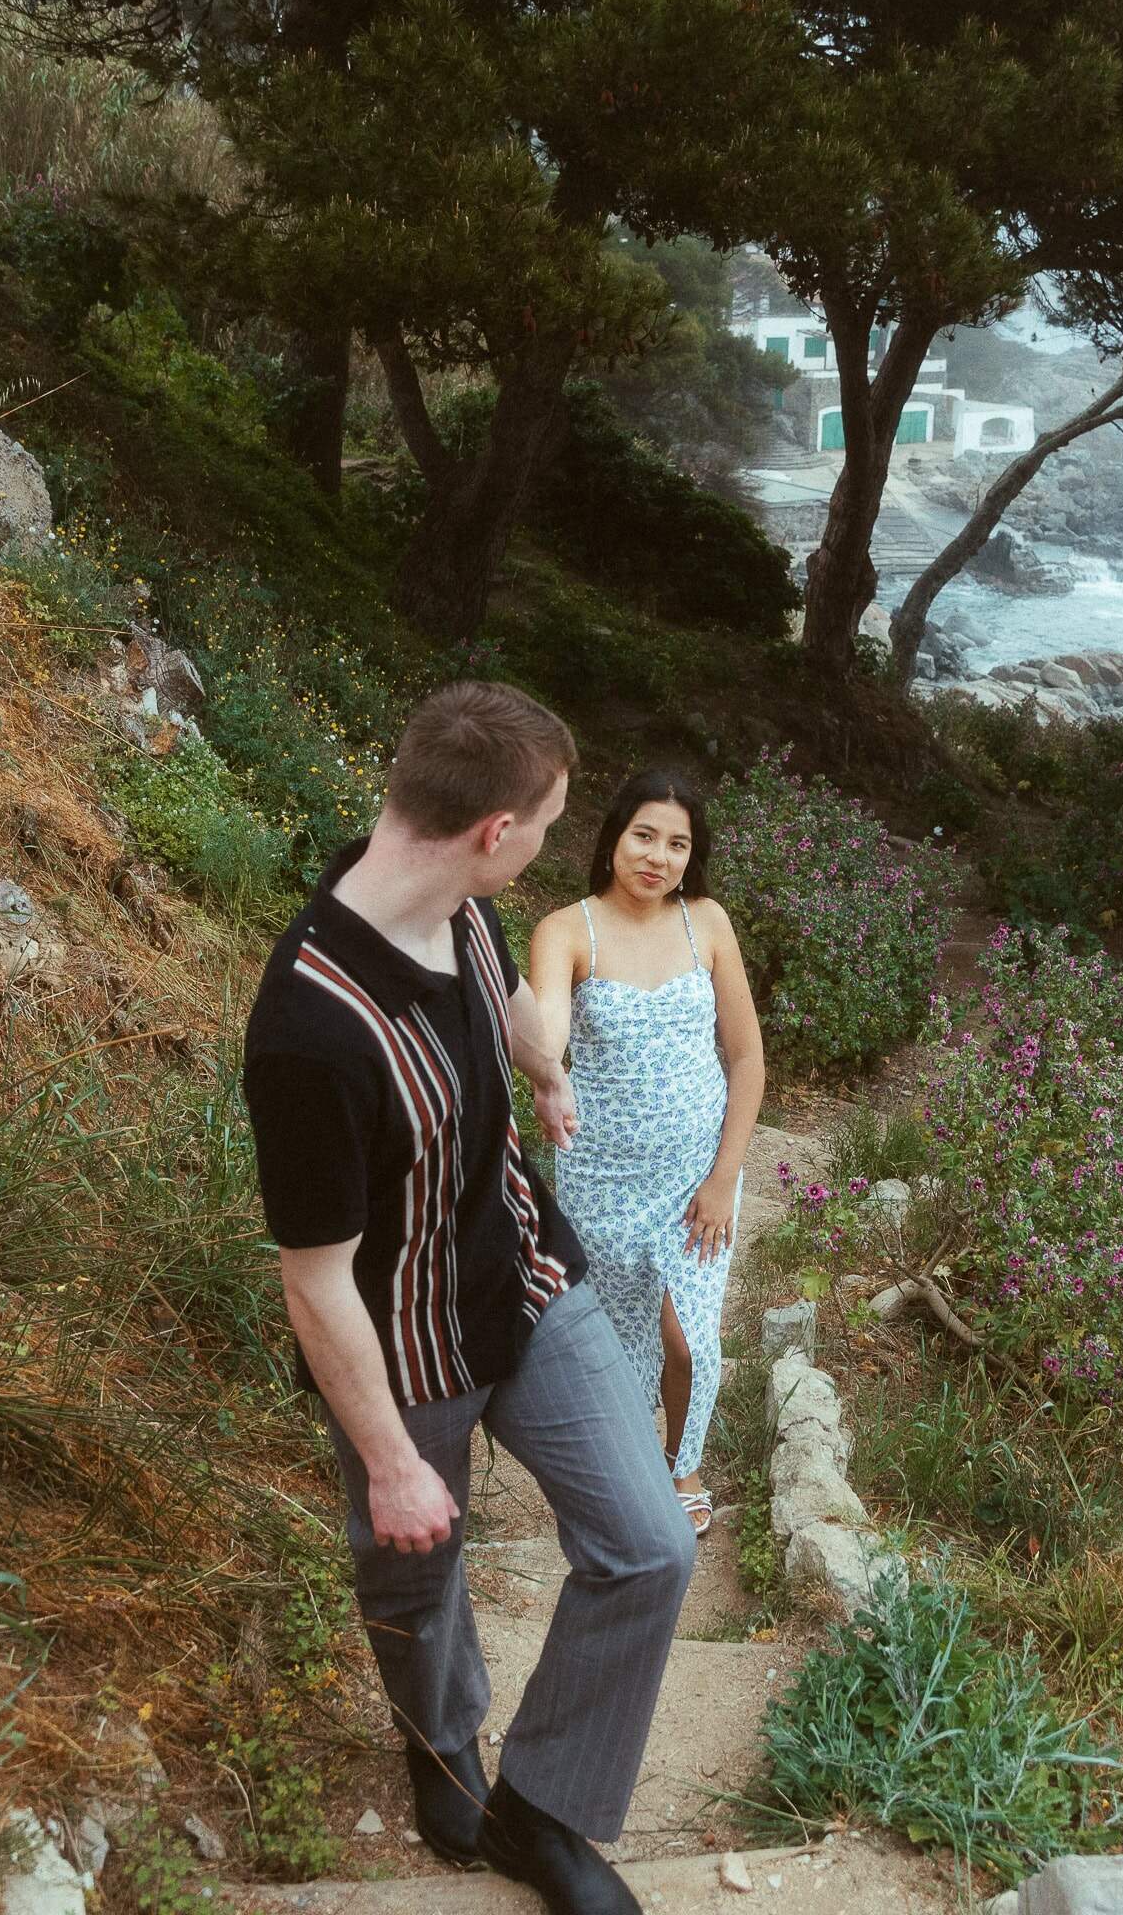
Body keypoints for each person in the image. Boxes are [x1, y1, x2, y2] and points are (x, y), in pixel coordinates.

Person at [243, 684, 694, 1915]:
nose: (549, 844)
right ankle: (441, 1747)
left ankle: (539, 1808)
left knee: (651, 1545)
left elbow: (498, 992)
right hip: (401, 1345)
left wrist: (541, 1064)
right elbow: (314, 1278)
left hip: (525, 1276)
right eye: (545, 823)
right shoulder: (308, 1033)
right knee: (415, 1571)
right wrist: (392, 1463)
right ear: (495, 829)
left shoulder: (451, 891)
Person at [529, 770, 764, 1539]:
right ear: (613, 838)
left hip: (697, 1178)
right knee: (618, 1345)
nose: (657, 857)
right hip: (600, 1182)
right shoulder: (567, 931)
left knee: (687, 1340)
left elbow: (746, 1058)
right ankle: (626, 1481)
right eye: (644, 836)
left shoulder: (707, 923)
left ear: (692, 857)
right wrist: (544, 1066)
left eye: (677, 844)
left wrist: (723, 1177)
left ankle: (681, 1464)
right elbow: (549, 1031)